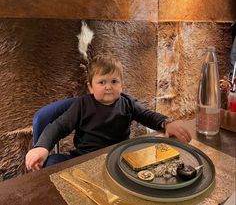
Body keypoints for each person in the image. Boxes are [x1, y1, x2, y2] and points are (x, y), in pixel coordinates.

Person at [25, 55, 191, 171]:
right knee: (52, 162)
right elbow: (58, 127)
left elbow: (148, 115)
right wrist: (42, 147)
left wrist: (167, 123)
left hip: (119, 158)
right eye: (102, 82)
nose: (108, 86)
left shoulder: (127, 102)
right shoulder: (82, 104)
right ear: (90, 87)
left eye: (114, 81)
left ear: (121, 85)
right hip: (84, 159)